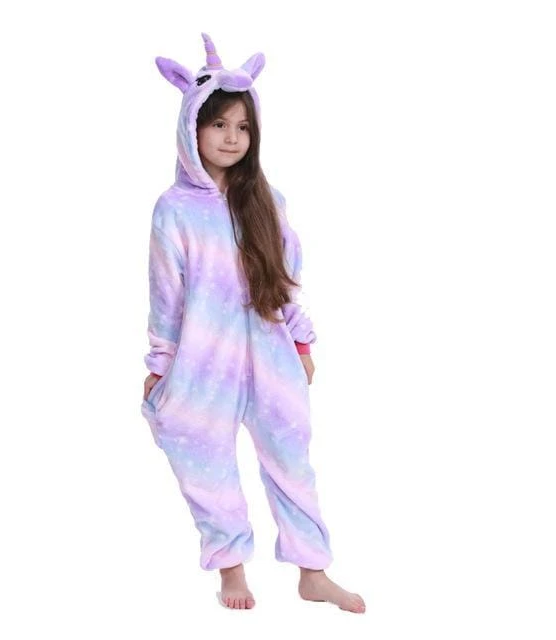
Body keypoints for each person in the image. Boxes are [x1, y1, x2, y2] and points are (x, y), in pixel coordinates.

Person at [141, 33, 365, 614]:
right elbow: (166, 294)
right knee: (204, 459)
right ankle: (232, 570)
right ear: (191, 129)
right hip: (203, 359)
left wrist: (301, 342)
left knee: (292, 460)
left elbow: (284, 277)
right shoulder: (174, 210)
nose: (231, 137)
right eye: (218, 125)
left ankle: (313, 571)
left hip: (270, 351)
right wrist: (160, 364)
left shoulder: (267, 200)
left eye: (242, 127)